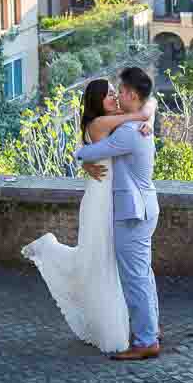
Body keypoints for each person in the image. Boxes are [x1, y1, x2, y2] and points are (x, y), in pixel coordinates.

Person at [21, 78, 156, 354]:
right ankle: (136, 330)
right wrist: (145, 115)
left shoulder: (115, 121)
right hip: (101, 200)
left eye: (115, 94)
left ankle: (146, 330)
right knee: (101, 261)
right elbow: (138, 112)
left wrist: (150, 113)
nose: (114, 98)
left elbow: (147, 103)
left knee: (122, 267)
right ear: (96, 101)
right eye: (108, 95)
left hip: (114, 200)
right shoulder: (101, 124)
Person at [77, 67, 161, 361]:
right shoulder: (136, 124)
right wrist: (145, 113)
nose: (118, 95)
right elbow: (150, 104)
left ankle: (146, 340)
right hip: (145, 206)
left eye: (121, 91)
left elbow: (89, 151)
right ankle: (151, 329)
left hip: (132, 212)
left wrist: (80, 155)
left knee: (135, 277)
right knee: (143, 274)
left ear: (133, 96)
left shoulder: (128, 132)